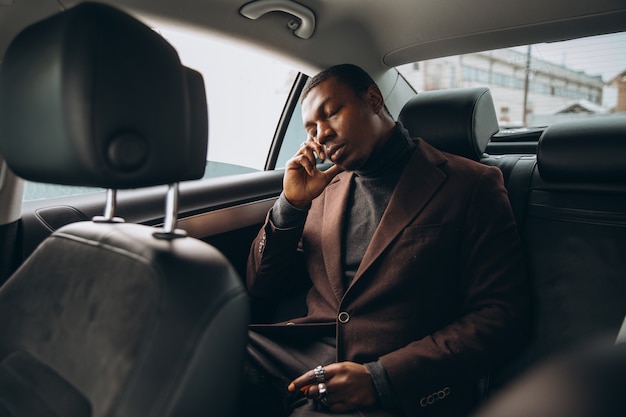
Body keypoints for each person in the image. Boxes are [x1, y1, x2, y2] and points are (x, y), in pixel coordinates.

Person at [242, 63, 529, 417]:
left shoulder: (471, 183)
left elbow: (503, 314)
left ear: (374, 100)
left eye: (330, 114)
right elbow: (260, 286)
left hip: (390, 371)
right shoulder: (323, 189)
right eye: (311, 129)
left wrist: (383, 379)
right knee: (206, 349)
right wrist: (291, 205)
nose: (321, 135)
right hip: (301, 353)